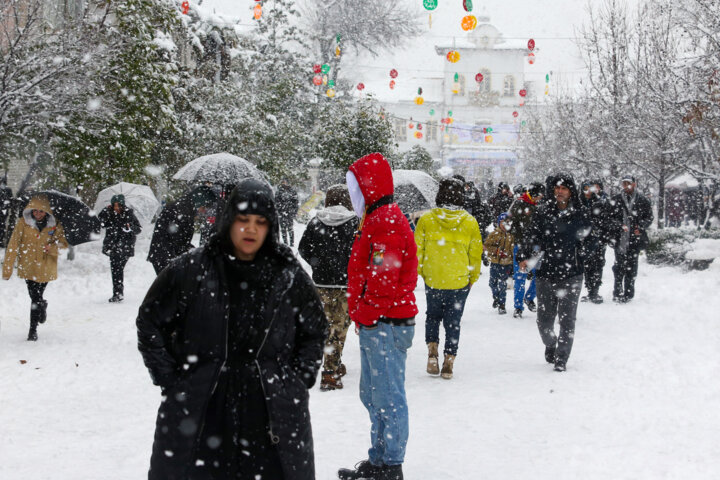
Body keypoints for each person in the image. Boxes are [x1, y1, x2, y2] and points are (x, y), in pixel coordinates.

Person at [137, 178, 327, 480]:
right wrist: (171, 379)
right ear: (228, 220)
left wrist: (296, 378)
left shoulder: (288, 274)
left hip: (269, 408)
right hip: (202, 406)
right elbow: (150, 321)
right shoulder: (192, 269)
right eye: (243, 219)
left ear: (270, 225)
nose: (250, 229)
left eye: (260, 221)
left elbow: (315, 329)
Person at [339, 153, 418, 480]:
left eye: (356, 186)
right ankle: (380, 458)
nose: (353, 194)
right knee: (374, 395)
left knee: (387, 397)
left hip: (386, 321)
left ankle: (391, 465)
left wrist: (365, 314)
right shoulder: (377, 218)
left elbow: (384, 281)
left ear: (369, 187)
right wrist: (363, 315)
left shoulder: (385, 221)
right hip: (379, 321)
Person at [518, 173, 591, 372]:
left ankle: (562, 358)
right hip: (546, 273)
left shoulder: (581, 214)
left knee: (567, 319)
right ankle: (550, 344)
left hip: (572, 273)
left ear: (570, 191)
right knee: (544, 321)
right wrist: (524, 255)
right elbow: (530, 235)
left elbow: (592, 239)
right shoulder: (543, 212)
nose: (559, 191)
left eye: (564, 188)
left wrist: (585, 254)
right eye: (557, 188)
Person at [415, 178, 483, 379]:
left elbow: (418, 250)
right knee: (453, 322)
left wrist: (424, 272)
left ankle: (432, 355)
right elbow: (475, 254)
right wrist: (473, 276)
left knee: (433, 316)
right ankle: (449, 362)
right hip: (459, 280)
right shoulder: (470, 222)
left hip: (434, 278)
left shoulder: (426, 220)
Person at [298, 184, 358, 391]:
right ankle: (330, 373)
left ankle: (333, 363)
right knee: (340, 327)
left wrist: (318, 265)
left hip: (321, 284)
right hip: (344, 284)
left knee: (326, 326)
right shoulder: (355, 223)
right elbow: (360, 252)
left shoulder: (316, 221)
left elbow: (303, 248)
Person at [2, 194, 69, 341]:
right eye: (35, 211)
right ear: (30, 211)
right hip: (29, 266)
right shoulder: (22, 223)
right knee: (35, 297)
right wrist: (7, 268)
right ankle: (41, 309)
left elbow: (63, 245)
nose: (38, 214)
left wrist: (51, 248)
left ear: (46, 212)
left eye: (41, 211)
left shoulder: (54, 224)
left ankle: (33, 329)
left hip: (46, 266)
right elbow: (13, 245)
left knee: (35, 298)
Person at [147, 186, 216, 274]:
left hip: (166, 255)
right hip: (166, 256)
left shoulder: (185, 207)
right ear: (199, 201)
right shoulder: (182, 210)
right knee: (172, 286)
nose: (204, 211)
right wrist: (192, 252)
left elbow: (181, 240)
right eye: (204, 207)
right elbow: (178, 239)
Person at [608, 175, 653, 303]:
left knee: (632, 268)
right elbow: (609, 217)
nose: (626, 186)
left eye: (629, 183)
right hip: (620, 239)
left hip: (635, 239)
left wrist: (641, 226)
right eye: (624, 183)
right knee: (618, 267)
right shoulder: (615, 199)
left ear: (634, 184)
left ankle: (628, 293)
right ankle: (617, 292)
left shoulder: (642, 200)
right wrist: (618, 225)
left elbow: (649, 217)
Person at [508, 182, 544, 318]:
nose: (540, 198)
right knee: (520, 276)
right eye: (539, 196)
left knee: (539, 275)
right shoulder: (519, 203)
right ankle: (518, 306)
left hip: (537, 246)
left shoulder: (541, 205)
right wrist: (522, 233)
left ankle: (529, 297)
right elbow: (509, 223)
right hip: (521, 244)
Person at [98, 194, 142, 302]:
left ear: (122, 205)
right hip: (113, 245)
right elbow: (101, 223)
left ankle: (118, 293)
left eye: (118, 206)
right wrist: (105, 211)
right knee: (116, 269)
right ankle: (118, 293)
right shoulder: (108, 213)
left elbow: (138, 229)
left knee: (117, 268)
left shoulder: (129, 214)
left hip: (125, 245)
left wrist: (130, 227)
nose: (116, 208)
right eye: (114, 206)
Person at [580, 180, 612, 303]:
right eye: (585, 188)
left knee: (598, 264)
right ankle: (589, 289)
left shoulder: (600, 203)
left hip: (598, 238)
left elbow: (606, 220)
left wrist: (600, 231)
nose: (587, 191)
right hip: (583, 239)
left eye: (590, 188)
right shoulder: (578, 202)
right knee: (586, 264)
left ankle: (595, 290)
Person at [485, 213, 515, 315]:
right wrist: (497, 251)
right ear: (499, 223)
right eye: (502, 222)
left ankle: (502, 305)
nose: (504, 225)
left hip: (506, 263)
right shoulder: (494, 234)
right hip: (495, 262)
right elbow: (487, 246)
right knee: (492, 283)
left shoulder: (511, 236)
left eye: (506, 223)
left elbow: (513, 249)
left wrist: (509, 254)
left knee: (502, 284)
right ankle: (496, 297)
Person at [275, 179, 298, 246]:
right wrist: (280, 209)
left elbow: (295, 203)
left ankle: (292, 243)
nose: (284, 184)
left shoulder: (292, 191)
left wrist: (294, 212)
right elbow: (277, 202)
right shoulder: (279, 191)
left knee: (290, 228)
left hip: (290, 213)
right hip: (282, 213)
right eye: (283, 182)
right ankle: (285, 242)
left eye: (285, 182)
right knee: (283, 229)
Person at [0, 176, 12, 247]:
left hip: (3, 211)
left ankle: (1, 240)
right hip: (3, 210)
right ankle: (1, 240)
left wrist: (5, 206)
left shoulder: (7, 189)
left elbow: (9, 200)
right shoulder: (7, 189)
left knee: (2, 226)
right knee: (2, 226)